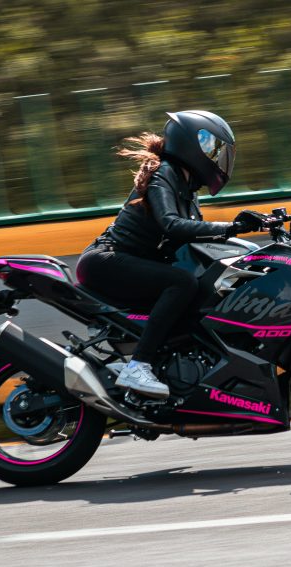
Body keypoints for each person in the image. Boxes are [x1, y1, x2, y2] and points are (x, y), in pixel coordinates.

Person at [75, 110, 262, 399]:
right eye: (214, 149)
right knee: (182, 283)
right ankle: (139, 366)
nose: (220, 158)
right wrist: (232, 228)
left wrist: (258, 227)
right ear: (192, 144)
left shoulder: (187, 189)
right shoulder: (165, 173)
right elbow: (172, 225)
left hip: (130, 263)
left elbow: (196, 233)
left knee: (199, 289)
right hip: (106, 260)